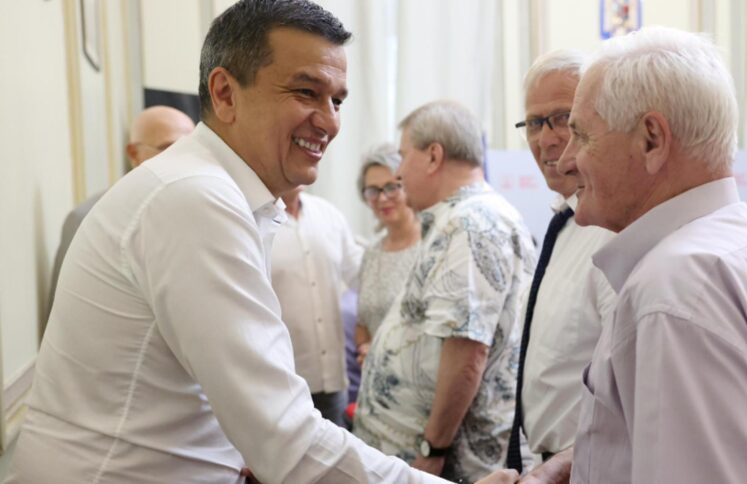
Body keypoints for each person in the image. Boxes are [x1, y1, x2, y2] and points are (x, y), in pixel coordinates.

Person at [9, 2, 519, 483]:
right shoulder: (196, 198)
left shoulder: (218, 191)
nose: (330, 121)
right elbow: (286, 440)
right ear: (226, 93)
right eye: (306, 92)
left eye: (337, 100)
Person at [531, 26, 747, 484]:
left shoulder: (673, 289)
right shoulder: (744, 244)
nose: (566, 159)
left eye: (581, 135)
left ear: (651, 139)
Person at [353, 100, 536, 484]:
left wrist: (432, 450)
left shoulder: (472, 223)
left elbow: (467, 350)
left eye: (404, 156)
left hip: (449, 467)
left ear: (434, 156)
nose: (399, 172)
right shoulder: (458, 219)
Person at [504, 50, 615, 478]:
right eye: (534, 123)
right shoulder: (563, 222)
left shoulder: (615, 232)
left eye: (562, 119)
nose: (546, 139)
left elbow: (629, 393)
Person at [44, 105, 194, 332]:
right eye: (167, 148)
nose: (181, 159)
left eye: (188, 148)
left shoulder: (196, 213)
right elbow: (62, 319)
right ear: (134, 154)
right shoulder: (88, 216)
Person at [270, 185, 364, 428]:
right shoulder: (255, 219)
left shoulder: (328, 215)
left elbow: (362, 278)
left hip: (332, 381)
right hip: (281, 384)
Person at [354, 143, 421, 365]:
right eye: (373, 191)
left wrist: (382, 352)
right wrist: (366, 349)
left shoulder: (430, 246)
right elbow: (363, 322)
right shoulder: (371, 254)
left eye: (391, 187)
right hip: (375, 376)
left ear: (408, 185)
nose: (382, 198)